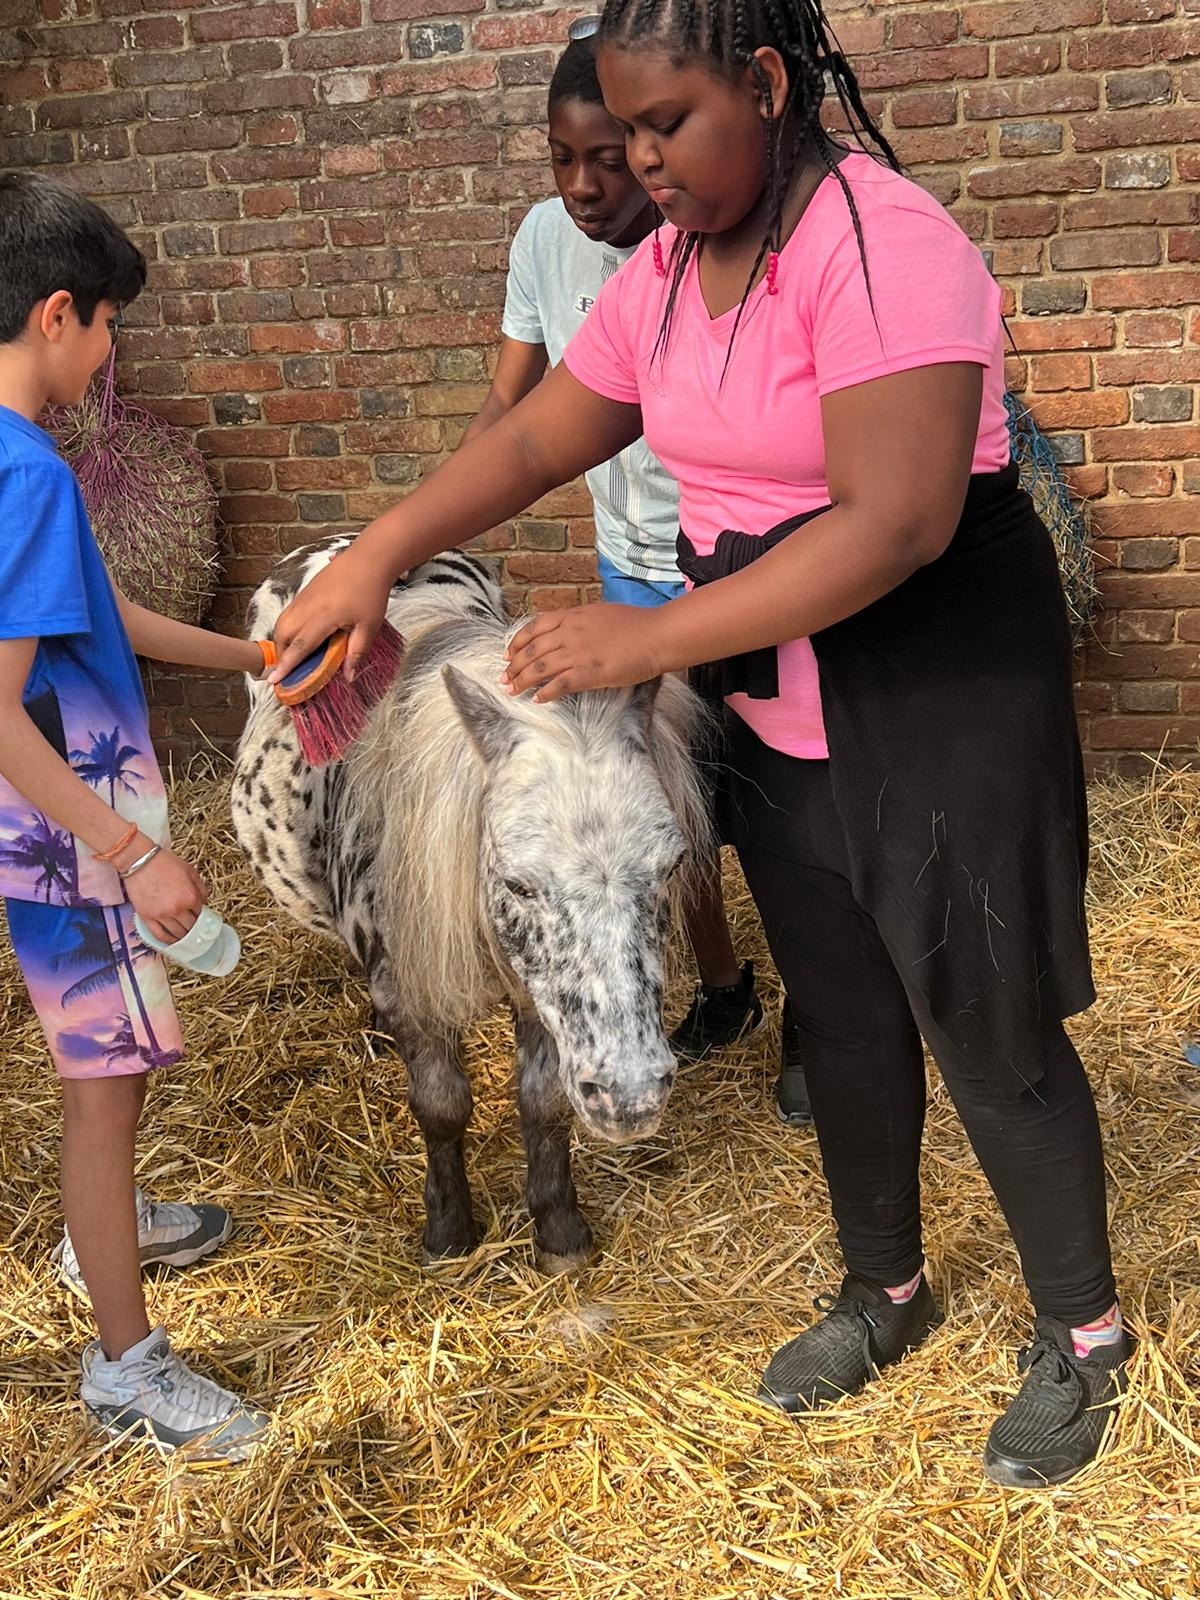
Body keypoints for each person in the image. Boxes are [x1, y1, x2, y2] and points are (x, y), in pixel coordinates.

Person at [269, 0, 1128, 1487]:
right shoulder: (665, 275)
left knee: (983, 1019)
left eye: (668, 123)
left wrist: (649, 637)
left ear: (770, 84)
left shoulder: (881, 243)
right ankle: (884, 1289)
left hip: (938, 690)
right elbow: (536, 436)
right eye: (626, 131)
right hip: (777, 696)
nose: (643, 160)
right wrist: (377, 555)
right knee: (842, 1012)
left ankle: (1084, 1334)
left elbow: (898, 520)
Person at [0, 171, 268, 1462]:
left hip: (59, 829)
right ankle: (126, 1365)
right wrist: (136, 853)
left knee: (114, 1076)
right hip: (71, 838)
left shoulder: (16, 469)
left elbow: (107, 618)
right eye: (108, 326)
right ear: (58, 314)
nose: (109, 356)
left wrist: (258, 658)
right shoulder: (29, 479)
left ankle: (106, 1221)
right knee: (102, 1089)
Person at [462, 28, 779, 1079]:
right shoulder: (543, 241)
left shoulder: (702, 250)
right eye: (564, 158)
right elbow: (512, 410)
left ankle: (817, 1015)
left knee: (768, 801)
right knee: (662, 796)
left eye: (613, 155)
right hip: (626, 565)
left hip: (734, 569)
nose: (587, 185)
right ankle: (724, 986)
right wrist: (425, 533)